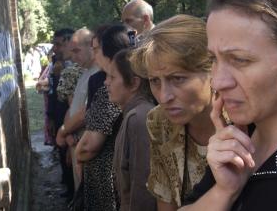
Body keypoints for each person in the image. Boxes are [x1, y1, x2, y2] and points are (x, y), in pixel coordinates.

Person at [180, 0, 277, 211]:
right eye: (213, 59)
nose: (217, 82)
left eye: (240, 60)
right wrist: (224, 192)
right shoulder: (240, 135)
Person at [129, 15, 215, 211]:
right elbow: (166, 198)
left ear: (213, 70)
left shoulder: (243, 123)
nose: (164, 96)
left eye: (177, 79)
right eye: (154, 81)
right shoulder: (159, 120)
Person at [75, 24, 130, 211]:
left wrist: (78, 155)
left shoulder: (111, 89)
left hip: (107, 179)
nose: (94, 54)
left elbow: (89, 146)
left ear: (110, 52)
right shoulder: (108, 81)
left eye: (96, 49)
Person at [105, 49, 157, 211]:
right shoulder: (132, 114)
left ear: (134, 83)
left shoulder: (139, 118)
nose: (106, 82)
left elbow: (143, 188)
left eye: (112, 77)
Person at [56, 27, 99, 191]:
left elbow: (85, 113)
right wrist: (68, 132)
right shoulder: (86, 72)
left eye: (77, 51)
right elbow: (73, 107)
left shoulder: (98, 74)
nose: (72, 56)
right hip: (76, 140)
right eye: (71, 51)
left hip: (87, 144)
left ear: (91, 46)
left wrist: (64, 131)